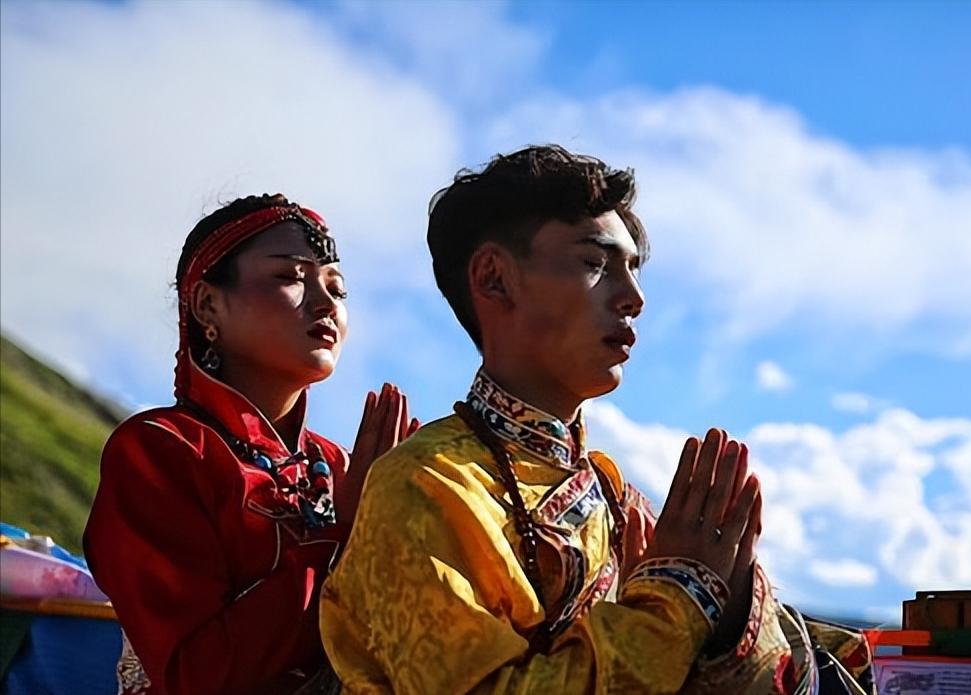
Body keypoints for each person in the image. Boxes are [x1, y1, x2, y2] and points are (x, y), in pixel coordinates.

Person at [321, 146, 871, 694]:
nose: (634, 298)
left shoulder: (613, 497)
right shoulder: (424, 484)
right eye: (594, 264)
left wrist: (730, 599)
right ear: (494, 278)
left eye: (632, 270)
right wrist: (682, 591)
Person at [84, 194, 417, 695]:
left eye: (337, 288)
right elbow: (197, 676)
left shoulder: (336, 466)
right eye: (290, 277)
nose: (326, 304)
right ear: (207, 304)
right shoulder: (162, 451)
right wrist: (344, 535)